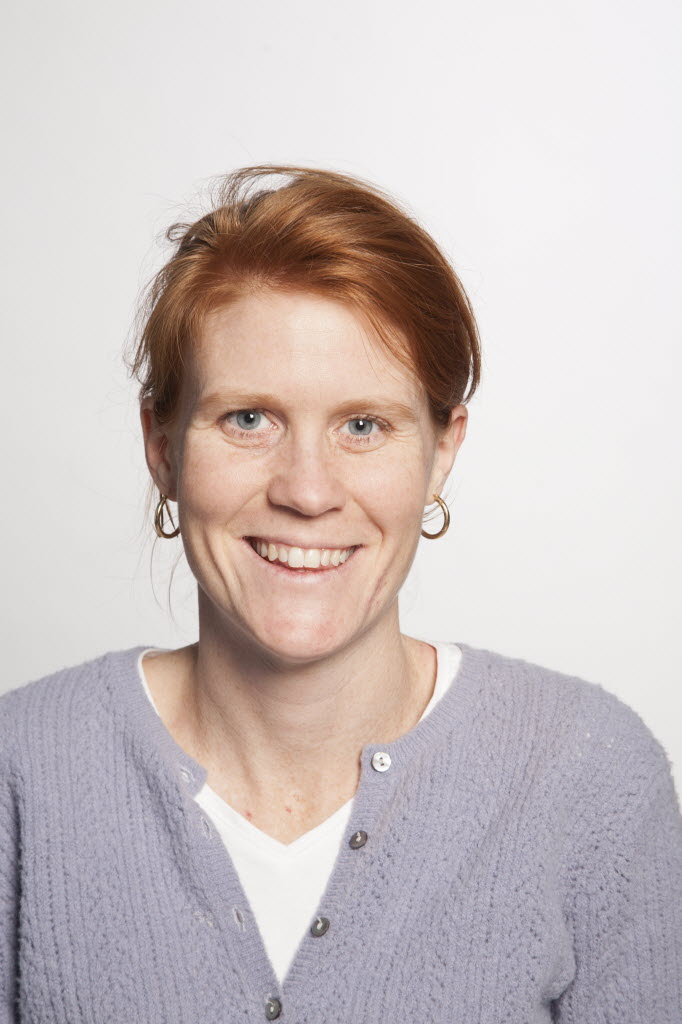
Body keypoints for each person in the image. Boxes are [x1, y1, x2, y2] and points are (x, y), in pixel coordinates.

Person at [1, 165, 680, 1023]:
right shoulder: (20, 774)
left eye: (364, 425)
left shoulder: (588, 777)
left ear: (440, 452)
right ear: (162, 444)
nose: (308, 491)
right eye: (249, 418)